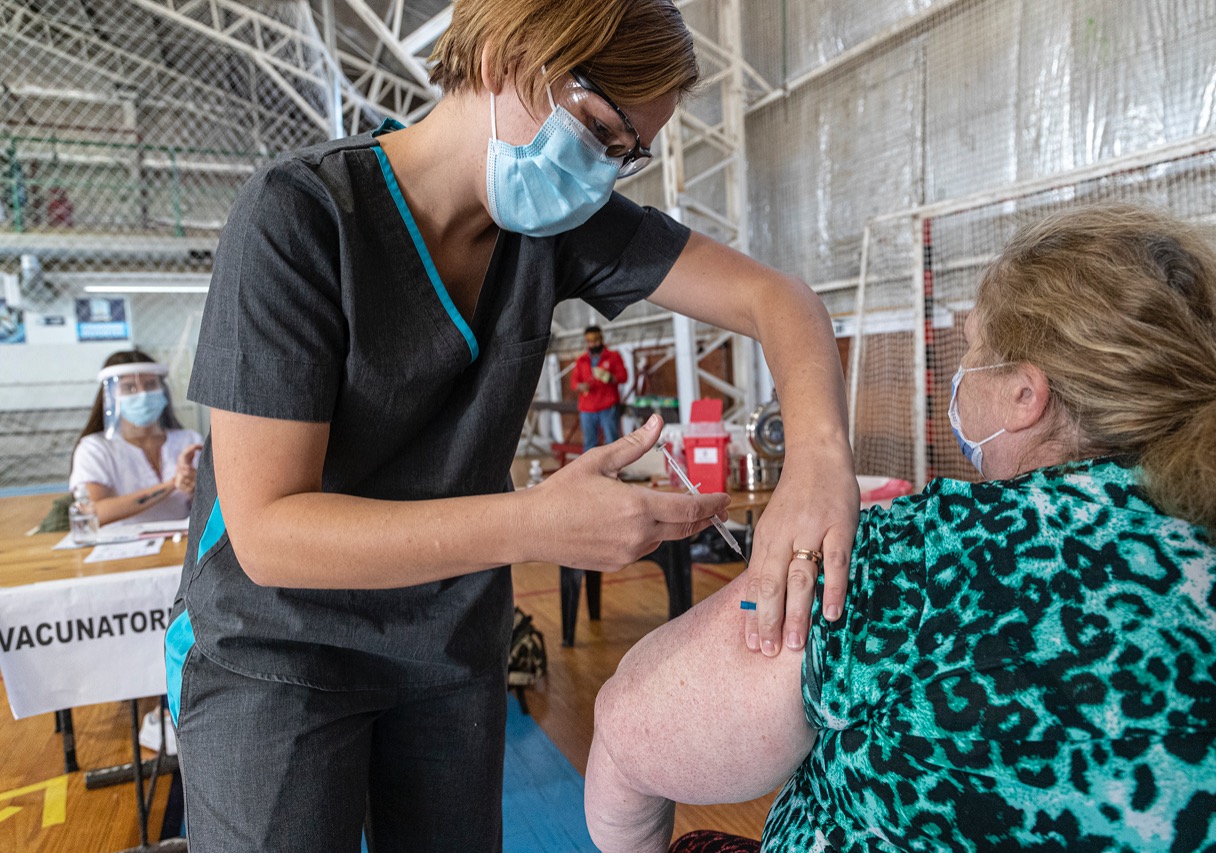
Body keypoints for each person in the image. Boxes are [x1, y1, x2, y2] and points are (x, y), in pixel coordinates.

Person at [164, 1, 859, 850]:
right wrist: (534, 521)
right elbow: (271, 533)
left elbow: (775, 298)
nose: (603, 173)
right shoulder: (300, 218)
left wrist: (820, 462)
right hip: (278, 646)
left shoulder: (554, 230)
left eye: (627, 155)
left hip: (446, 641)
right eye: (601, 131)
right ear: (505, 55)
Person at [585, 204, 1216, 852]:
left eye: (974, 346)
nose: (961, 368)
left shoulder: (928, 555)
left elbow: (630, 732)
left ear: (1024, 394)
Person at [70, 350, 202, 526]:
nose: (143, 394)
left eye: (150, 385)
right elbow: (95, 512)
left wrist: (195, 488)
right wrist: (171, 485)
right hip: (120, 548)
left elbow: (210, 509)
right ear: (109, 397)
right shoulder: (94, 449)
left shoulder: (190, 441)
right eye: (129, 387)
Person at [573, 324, 628, 453]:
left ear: (601, 339)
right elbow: (574, 382)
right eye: (590, 341)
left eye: (595, 340)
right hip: (587, 408)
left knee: (612, 442)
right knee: (589, 443)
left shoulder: (613, 356)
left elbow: (624, 377)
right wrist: (581, 386)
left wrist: (611, 378)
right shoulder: (581, 360)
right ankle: (589, 472)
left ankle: (614, 471)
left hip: (607, 406)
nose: (593, 344)